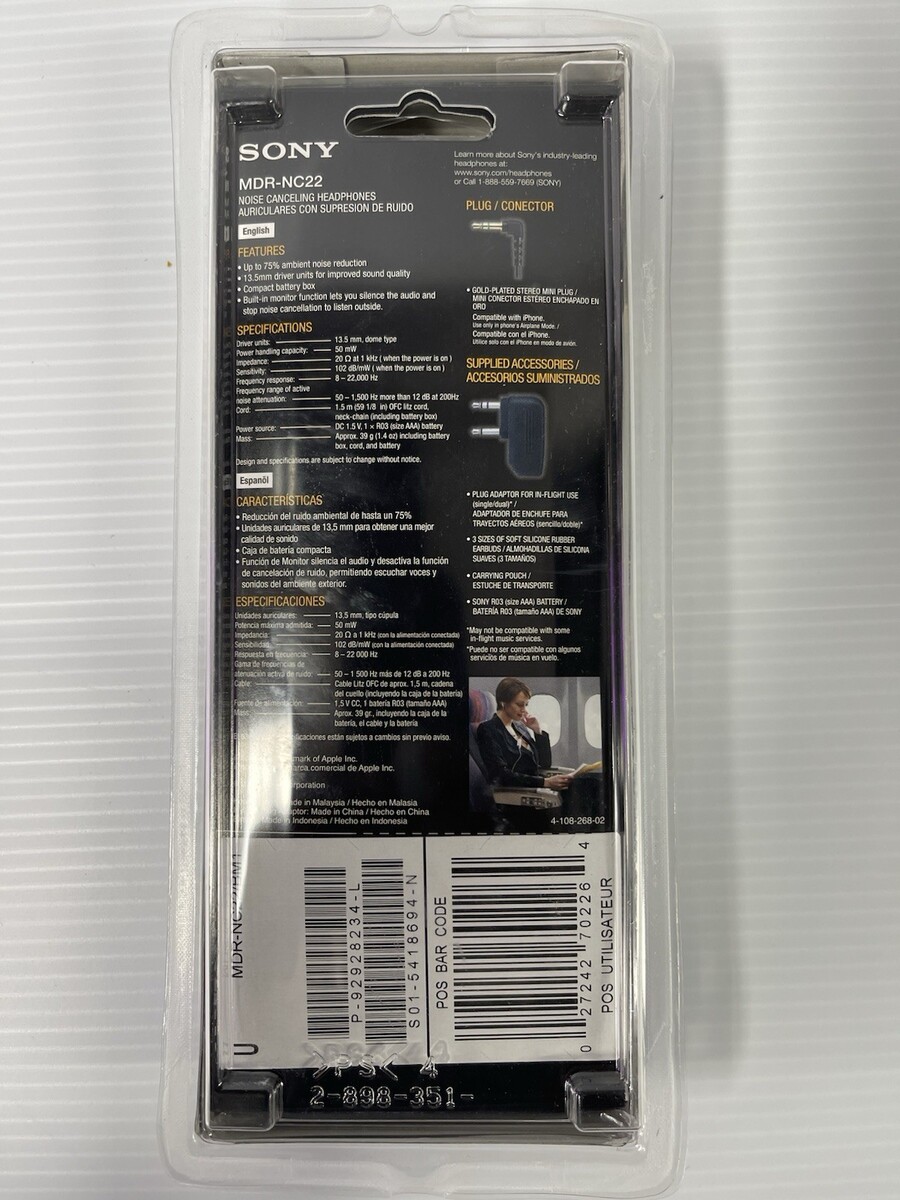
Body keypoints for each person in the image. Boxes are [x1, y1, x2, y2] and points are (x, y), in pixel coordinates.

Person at [475, 677, 570, 793]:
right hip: (516, 792)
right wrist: (545, 782)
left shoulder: (519, 727)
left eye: (526, 705)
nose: (524, 710)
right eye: (520, 705)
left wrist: (537, 731)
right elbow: (501, 774)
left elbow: (545, 763)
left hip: (532, 786)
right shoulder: (488, 729)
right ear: (503, 702)